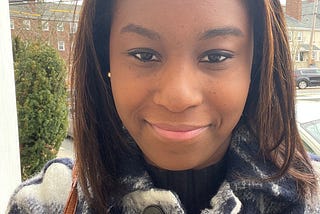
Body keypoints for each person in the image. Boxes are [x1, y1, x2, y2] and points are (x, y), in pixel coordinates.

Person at [6, 0, 320, 213]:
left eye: (216, 56)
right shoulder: (47, 203)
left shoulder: (311, 199)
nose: (178, 96)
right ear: (105, 61)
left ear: (258, 64)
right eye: (144, 54)